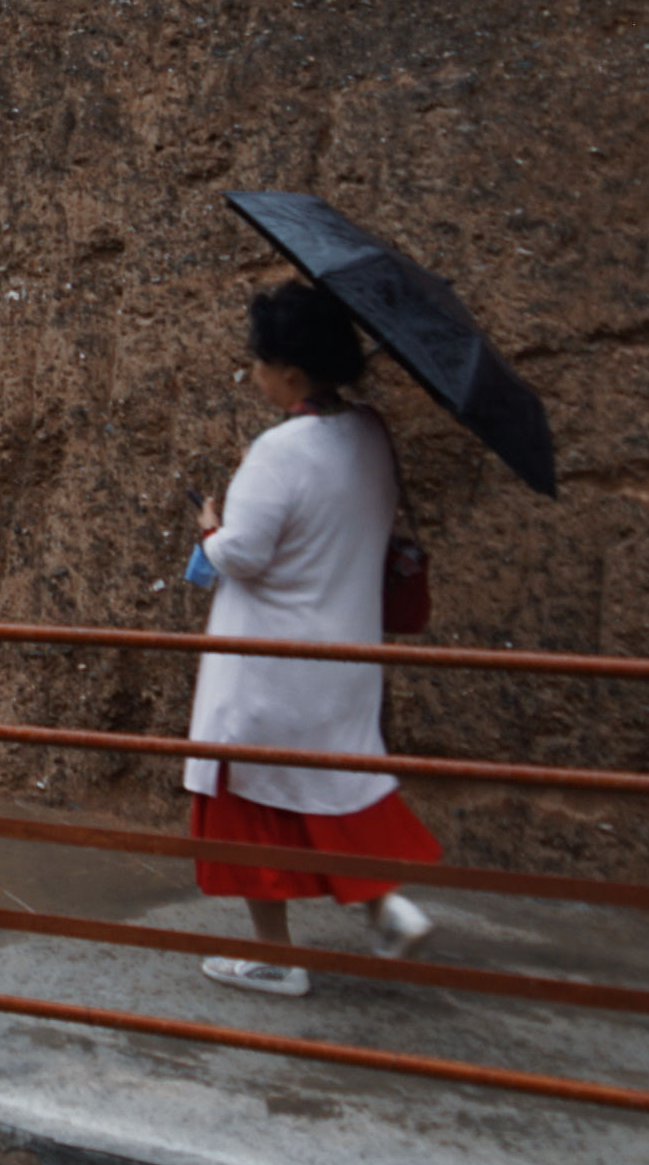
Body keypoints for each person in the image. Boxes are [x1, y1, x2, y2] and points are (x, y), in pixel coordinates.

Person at [186, 279, 441, 997]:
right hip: (343, 660)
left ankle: (276, 956)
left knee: (248, 808)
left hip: (269, 668)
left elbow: (242, 555)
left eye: (258, 361)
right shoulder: (368, 433)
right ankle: (388, 906)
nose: (254, 372)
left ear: (289, 373)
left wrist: (211, 523)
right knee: (332, 791)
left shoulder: (279, 450)